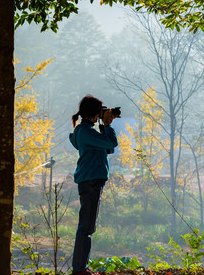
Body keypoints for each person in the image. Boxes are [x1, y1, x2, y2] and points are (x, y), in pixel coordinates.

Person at [69, 95, 118, 275]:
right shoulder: (86, 132)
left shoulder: (86, 131)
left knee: (86, 225)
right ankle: (79, 269)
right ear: (94, 113)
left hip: (90, 181)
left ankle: (80, 267)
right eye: (100, 111)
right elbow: (112, 143)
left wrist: (104, 125)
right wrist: (107, 126)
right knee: (86, 226)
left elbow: (108, 148)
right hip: (90, 181)